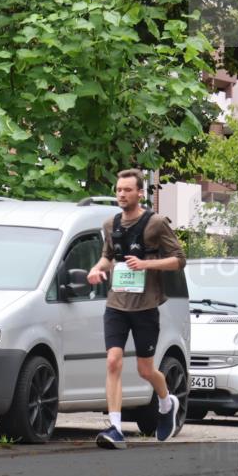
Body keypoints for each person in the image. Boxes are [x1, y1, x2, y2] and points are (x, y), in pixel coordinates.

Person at [87, 169, 187, 449]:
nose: (121, 194)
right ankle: (115, 428)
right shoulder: (110, 224)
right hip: (116, 304)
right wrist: (96, 269)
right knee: (113, 361)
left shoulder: (155, 223)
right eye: (119, 189)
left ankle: (167, 402)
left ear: (139, 193)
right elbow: (108, 257)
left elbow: (179, 260)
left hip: (145, 306)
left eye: (127, 190)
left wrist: (146, 264)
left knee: (145, 370)